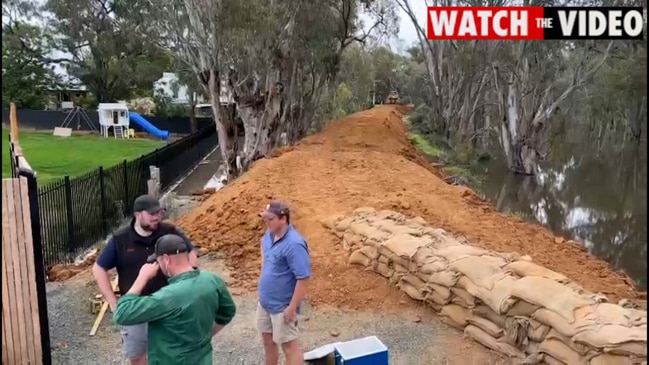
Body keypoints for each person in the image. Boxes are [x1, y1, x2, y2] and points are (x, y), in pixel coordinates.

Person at [92, 194, 199, 365]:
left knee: (173, 353)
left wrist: (187, 280)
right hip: (136, 309)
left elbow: (191, 253)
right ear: (137, 215)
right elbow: (98, 269)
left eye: (158, 212)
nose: (157, 217)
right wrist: (113, 303)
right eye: (152, 214)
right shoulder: (120, 239)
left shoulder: (169, 232)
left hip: (168, 305)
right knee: (138, 357)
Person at [113, 234, 236, 365]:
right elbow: (228, 311)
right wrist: (205, 336)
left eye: (159, 261)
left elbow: (122, 314)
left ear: (166, 259)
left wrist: (142, 277)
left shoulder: (167, 297)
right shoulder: (212, 280)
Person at [257, 201, 312, 365]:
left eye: (270, 219)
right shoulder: (268, 235)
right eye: (265, 219)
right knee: (268, 342)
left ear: (283, 219)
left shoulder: (294, 244)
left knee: (289, 347)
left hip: (282, 306)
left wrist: (292, 307)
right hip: (265, 302)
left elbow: (304, 278)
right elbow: (265, 260)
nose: (267, 222)